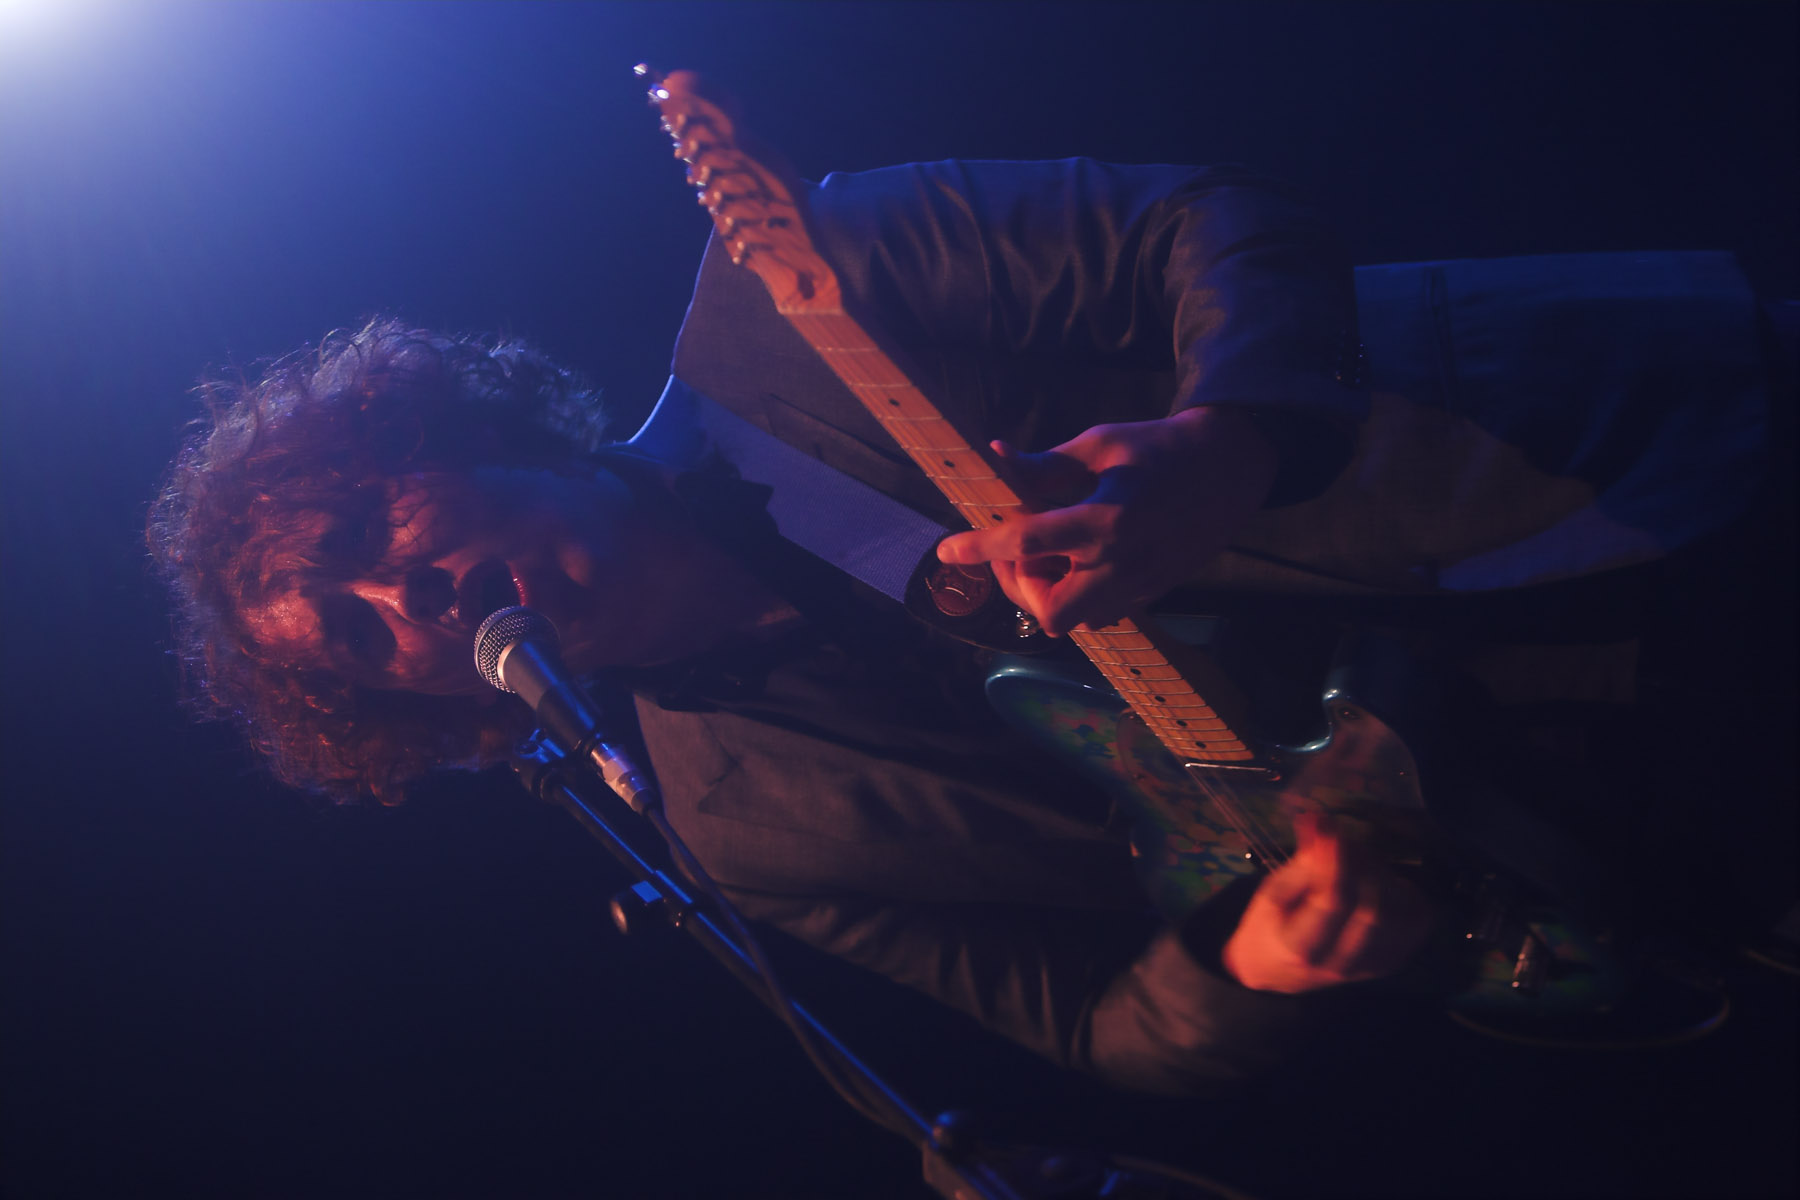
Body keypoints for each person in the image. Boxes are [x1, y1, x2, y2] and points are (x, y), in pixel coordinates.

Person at [147, 158, 1777, 1094]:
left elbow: (1216, 225)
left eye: (364, 538)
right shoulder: (745, 836)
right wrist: (1255, 959)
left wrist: (1229, 441)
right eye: (357, 636)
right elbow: (1095, 1020)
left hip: (1637, 471)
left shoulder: (781, 300)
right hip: (1602, 823)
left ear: (436, 435)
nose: (405, 598)